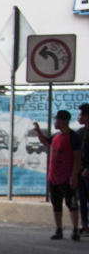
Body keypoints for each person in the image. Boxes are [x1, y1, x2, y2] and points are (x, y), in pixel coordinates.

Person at [34, 110, 81, 241]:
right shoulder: (55, 136)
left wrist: (74, 175)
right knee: (56, 204)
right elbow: (45, 142)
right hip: (53, 178)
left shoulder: (73, 137)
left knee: (72, 204)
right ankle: (58, 229)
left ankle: (75, 229)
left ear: (63, 121)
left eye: (57, 120)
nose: (55, 122)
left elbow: (77, 157)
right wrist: (38, 131)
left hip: (67, 178)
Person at [75, 103, 89, 234]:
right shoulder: (80, 133)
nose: (78, 117)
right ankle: (85, 225)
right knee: (82, 200)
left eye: (80, 114)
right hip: (81, 172)